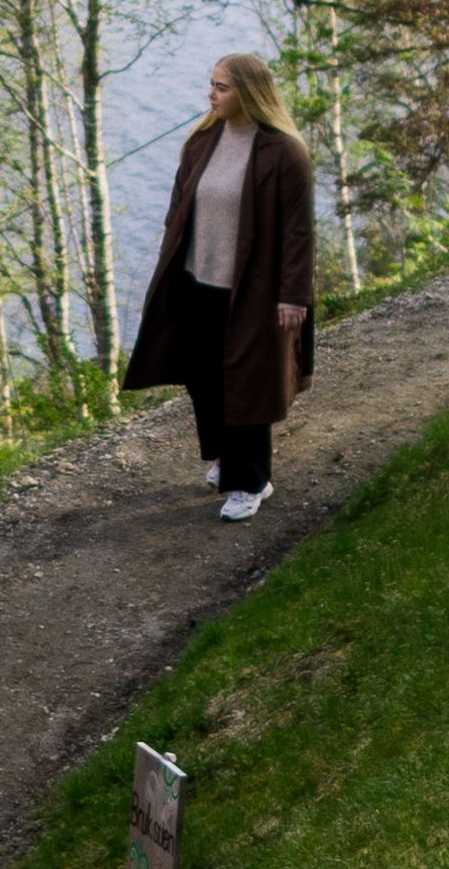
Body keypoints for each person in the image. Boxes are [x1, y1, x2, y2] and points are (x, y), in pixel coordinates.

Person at [119, 49, 319, 523]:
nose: (211, 94)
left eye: (221, 87)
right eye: (211, 84)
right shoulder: (202, 141)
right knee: (202, 378)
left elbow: (298, 231)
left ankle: (251, 482)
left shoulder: (284, 152)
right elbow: (178, 209)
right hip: (195, 283)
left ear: (249, 92)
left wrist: (293, 295)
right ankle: (225, 459)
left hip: (251, 292)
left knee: (246, 385)